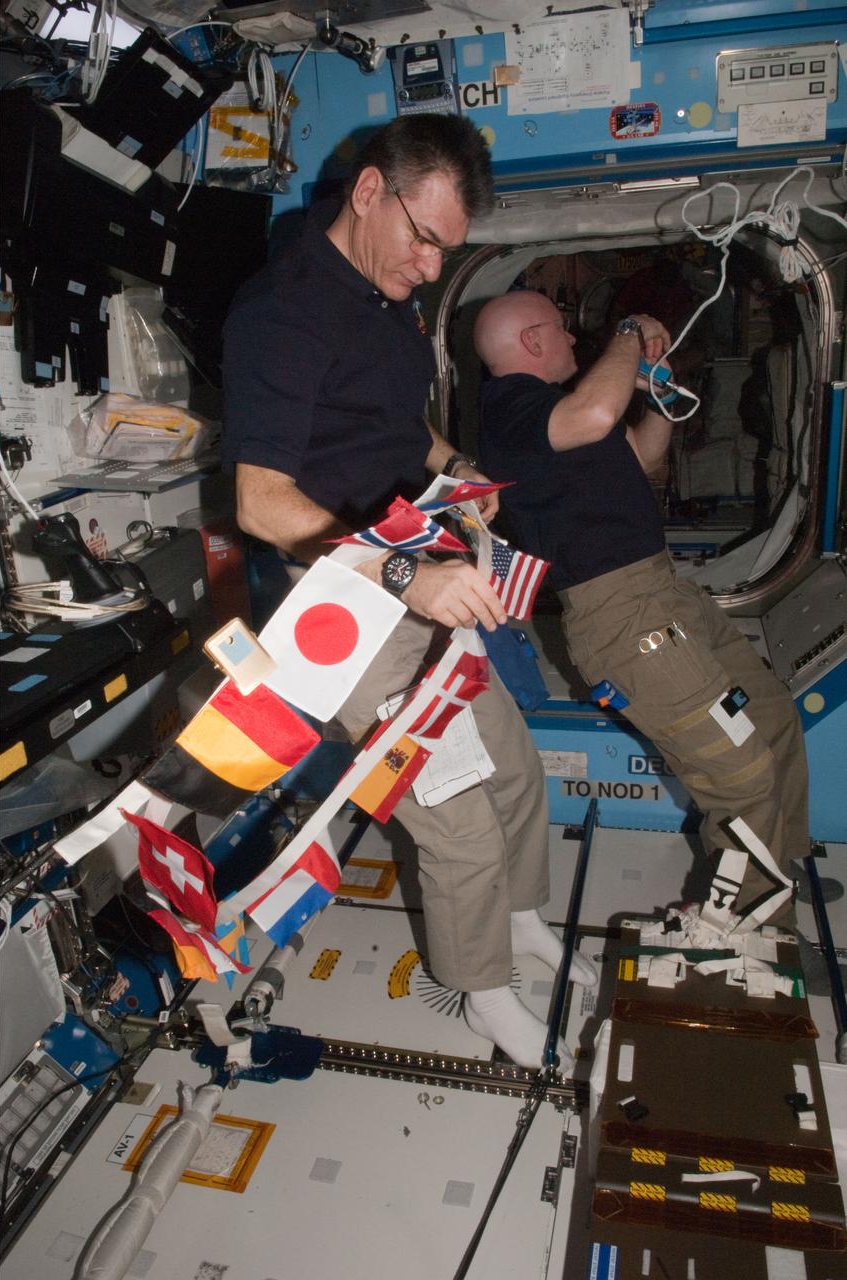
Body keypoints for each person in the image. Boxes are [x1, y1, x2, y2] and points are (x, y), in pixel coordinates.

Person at [220, 116, 596, 1071]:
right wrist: (409, 576)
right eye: (423, 240)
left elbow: (396, 423)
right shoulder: (282, 312)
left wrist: (458, 465)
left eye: (447, 251)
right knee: (458, 812)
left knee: (514, 769)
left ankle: (517, 925)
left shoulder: (386, 298)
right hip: (342, 611)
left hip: (414, 571)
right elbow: (260, 503)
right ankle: (483, 996)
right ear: (369, 193)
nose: (431, 268)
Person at [473, 290, 809, 932]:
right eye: (565, 330)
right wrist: (627, 330)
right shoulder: (509, 410)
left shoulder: (555, 414)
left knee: (770, 720)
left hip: (666, 595)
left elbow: (640, 454)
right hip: (626, 618)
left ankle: (777, 875)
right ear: (534, 342)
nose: (575, 340)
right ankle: (743, 925)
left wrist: (659, 393)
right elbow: (597, 413)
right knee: (740, 775)